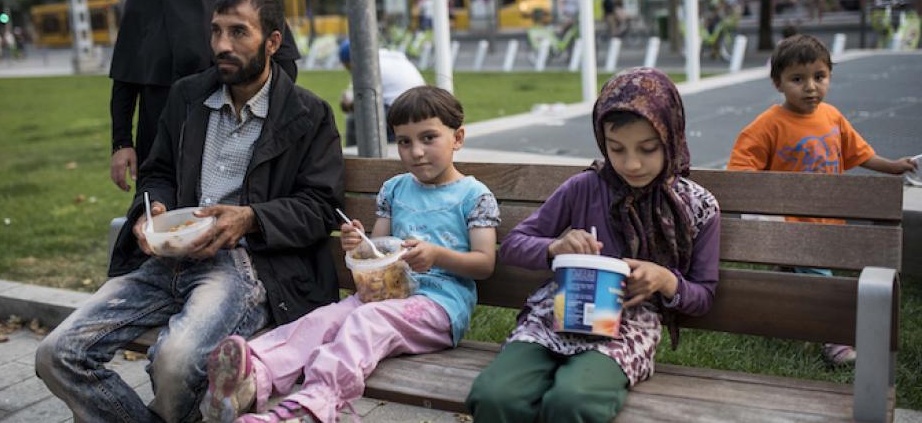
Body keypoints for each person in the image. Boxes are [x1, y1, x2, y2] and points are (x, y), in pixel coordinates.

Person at [36, 0, 345, 423]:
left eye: (239, 32)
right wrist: (153, 210)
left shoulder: (307, 114)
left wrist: (250, 218)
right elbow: (157, 173)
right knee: (56, 353)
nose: (222, 44)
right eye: (216, 31)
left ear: (272, 43)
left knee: (175, 362)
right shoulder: (187, 97)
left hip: (242, 265)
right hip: (167, 259)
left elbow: (319, 208)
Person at [200, 85, 500, 423]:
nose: (416, 152)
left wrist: (437, 256)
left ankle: (316, 404)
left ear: (457, 138)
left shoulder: (473, 195)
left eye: (428, 138)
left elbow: (484, 264)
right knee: (324, 319)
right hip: (383, 294)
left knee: (364, 321)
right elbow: (378, 251)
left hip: (439, 306)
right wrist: (358, 243)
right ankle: (252, 375)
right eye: (404, 141)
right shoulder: (395, 188)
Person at [467, 68, 721, 422]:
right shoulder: (584, 187)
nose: (631, 164)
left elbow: (704, 293)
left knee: (574, 402)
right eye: (616, 149)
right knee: (495, 396)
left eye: (648, 149)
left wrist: (665, 280)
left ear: (672, 137)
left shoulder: (697, 206)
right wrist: (556, 246)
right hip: (556, 316)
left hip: (626, 329)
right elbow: (512, 245)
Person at [727, 34, 917, 366]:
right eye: (797, 79)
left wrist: (893, 166)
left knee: (798, 278)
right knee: (824, 282)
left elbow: (859, 153)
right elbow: (740, 171)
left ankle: (780, 312)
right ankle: (835, 341)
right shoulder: (768, 125)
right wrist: (768, 209)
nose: (811, 87)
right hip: (796, 223)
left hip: (830, 220)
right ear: (778, 83)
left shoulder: (831, 117)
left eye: (819, 76)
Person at [110, 0, 301, 192]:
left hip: (241, 140)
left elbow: (285, 64)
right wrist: (121, 144)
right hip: (164, 143)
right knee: (163, 229)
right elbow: (126, 77)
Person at [338, 39, 426, 146]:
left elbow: (354, 101)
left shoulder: (367, 66)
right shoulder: (392, 57)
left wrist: (347, 102)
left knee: (353, 118)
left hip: (400, 110)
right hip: (423, 106)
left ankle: (352, 158)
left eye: (347, 65)